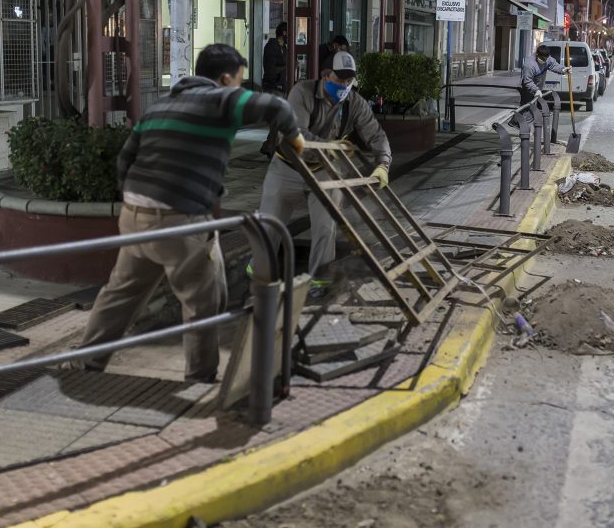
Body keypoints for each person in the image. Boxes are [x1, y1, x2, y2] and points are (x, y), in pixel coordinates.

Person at [72, 44, 304, 383]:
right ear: (225, 78)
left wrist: (143, 199)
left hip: (135, 215)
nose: (238, 88)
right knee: (202, 301)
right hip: (179, 221)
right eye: (238, 81)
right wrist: (295, 139)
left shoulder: (159, 106)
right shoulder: (221, 100)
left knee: (120, 294)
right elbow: (276, 105)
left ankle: (87, 364)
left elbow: (125, 160)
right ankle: (200, 377)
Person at [250, 50, 391, 298]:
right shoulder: (301, 93)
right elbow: (294, 135)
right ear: (326, 75)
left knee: (326, 227)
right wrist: (330, 147)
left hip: (324, 171)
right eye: (340, 79)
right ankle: (257, 277)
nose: (345, 85)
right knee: (270, 226)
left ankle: (319, 282)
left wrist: (383, 164)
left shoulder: (354, 103)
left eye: (349, 81)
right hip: (287, 167)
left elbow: (376, 135)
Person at [515, 44, 569, 126]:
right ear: (537, 54)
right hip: (528, 89)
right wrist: (535, 89)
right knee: (527, 108)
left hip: (538, 89)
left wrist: (563, 69)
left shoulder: (547, 59)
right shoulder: (529, 65)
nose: (543, 61)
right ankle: (524, 129)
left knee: (533, 109)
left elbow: (554, 65)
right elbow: (527, 81)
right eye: (541, 59)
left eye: (545, 59)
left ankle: (522, 125)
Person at [262, 22, 287, 95]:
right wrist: (287, 67)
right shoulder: (271, 46)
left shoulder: (284, 48)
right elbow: (270, 69)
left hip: (281, 88)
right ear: (284, 33)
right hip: (272, 88)